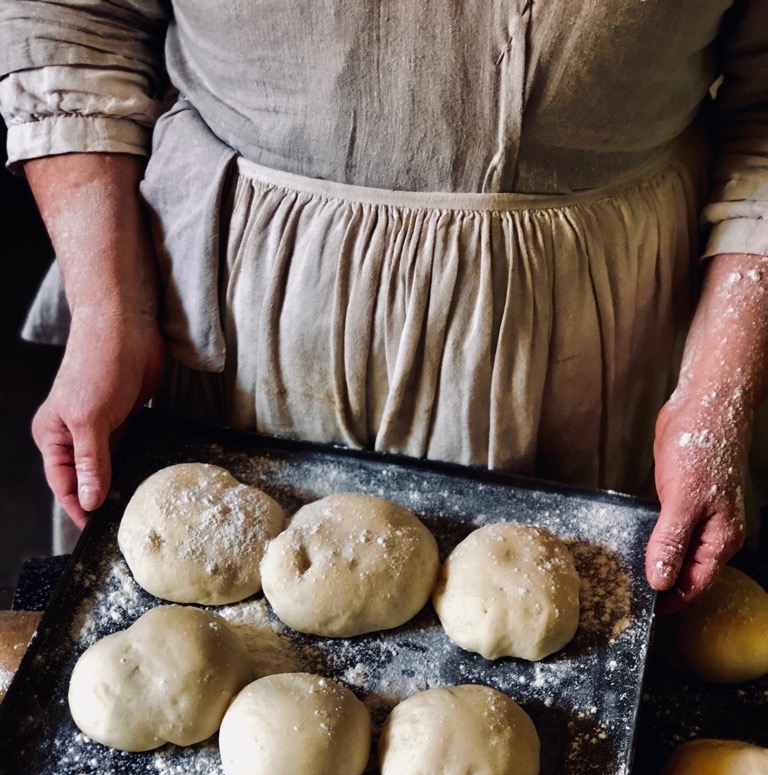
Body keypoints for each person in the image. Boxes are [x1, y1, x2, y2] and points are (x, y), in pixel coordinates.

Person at [0, 0, 766, 613]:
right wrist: (111, 314)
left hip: (594, 338)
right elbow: (73, 22)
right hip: (241, 310)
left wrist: (713, 397)